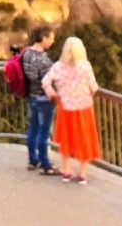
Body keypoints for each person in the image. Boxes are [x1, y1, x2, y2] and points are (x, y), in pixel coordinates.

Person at [42, 36, 102, 183]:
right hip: (83, 107)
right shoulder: (85, 66)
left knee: (67, 138)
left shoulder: (58, 66)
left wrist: (53, 94)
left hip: (66, 107)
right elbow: (94, 87)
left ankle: (67, 169)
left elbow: (45, 82)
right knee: (84, 138)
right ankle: (82, 172)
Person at [19, 26, 58, 175]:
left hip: (31, 97)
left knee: (33, 129)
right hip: (45, 99)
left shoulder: (27, 53)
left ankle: (33, 160)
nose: (53, 41)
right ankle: (46, 164)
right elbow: (49, 80)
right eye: (51, 38)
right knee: (44, 133)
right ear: (44, 38)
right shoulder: (43, 60)